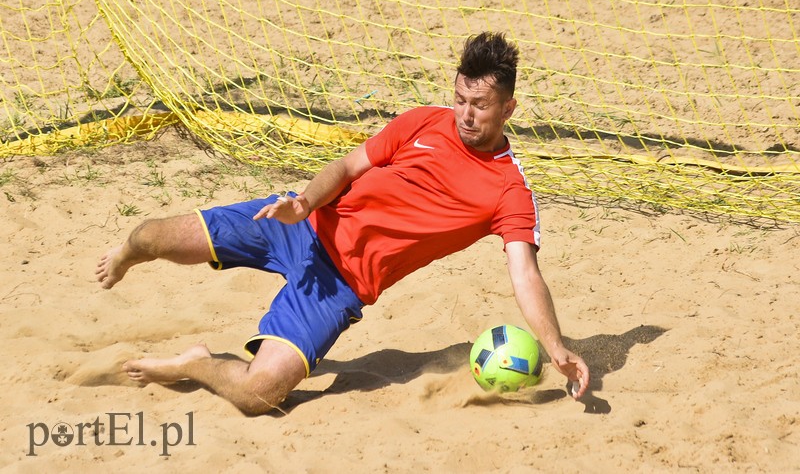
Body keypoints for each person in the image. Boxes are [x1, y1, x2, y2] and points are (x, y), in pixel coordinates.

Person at [96, 32, 590, 415]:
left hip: (339, 286)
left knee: (257, 395)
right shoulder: (421, 121)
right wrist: (305, 202)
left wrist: (556, 347)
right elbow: (348, 167)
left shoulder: (509, 190)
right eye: (460, 98)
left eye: (479, 106)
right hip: (297, 224)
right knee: (150, 237)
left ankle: (195, 362)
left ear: (508, 108)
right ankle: (123, 255)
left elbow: (525, 274)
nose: (464, 114)